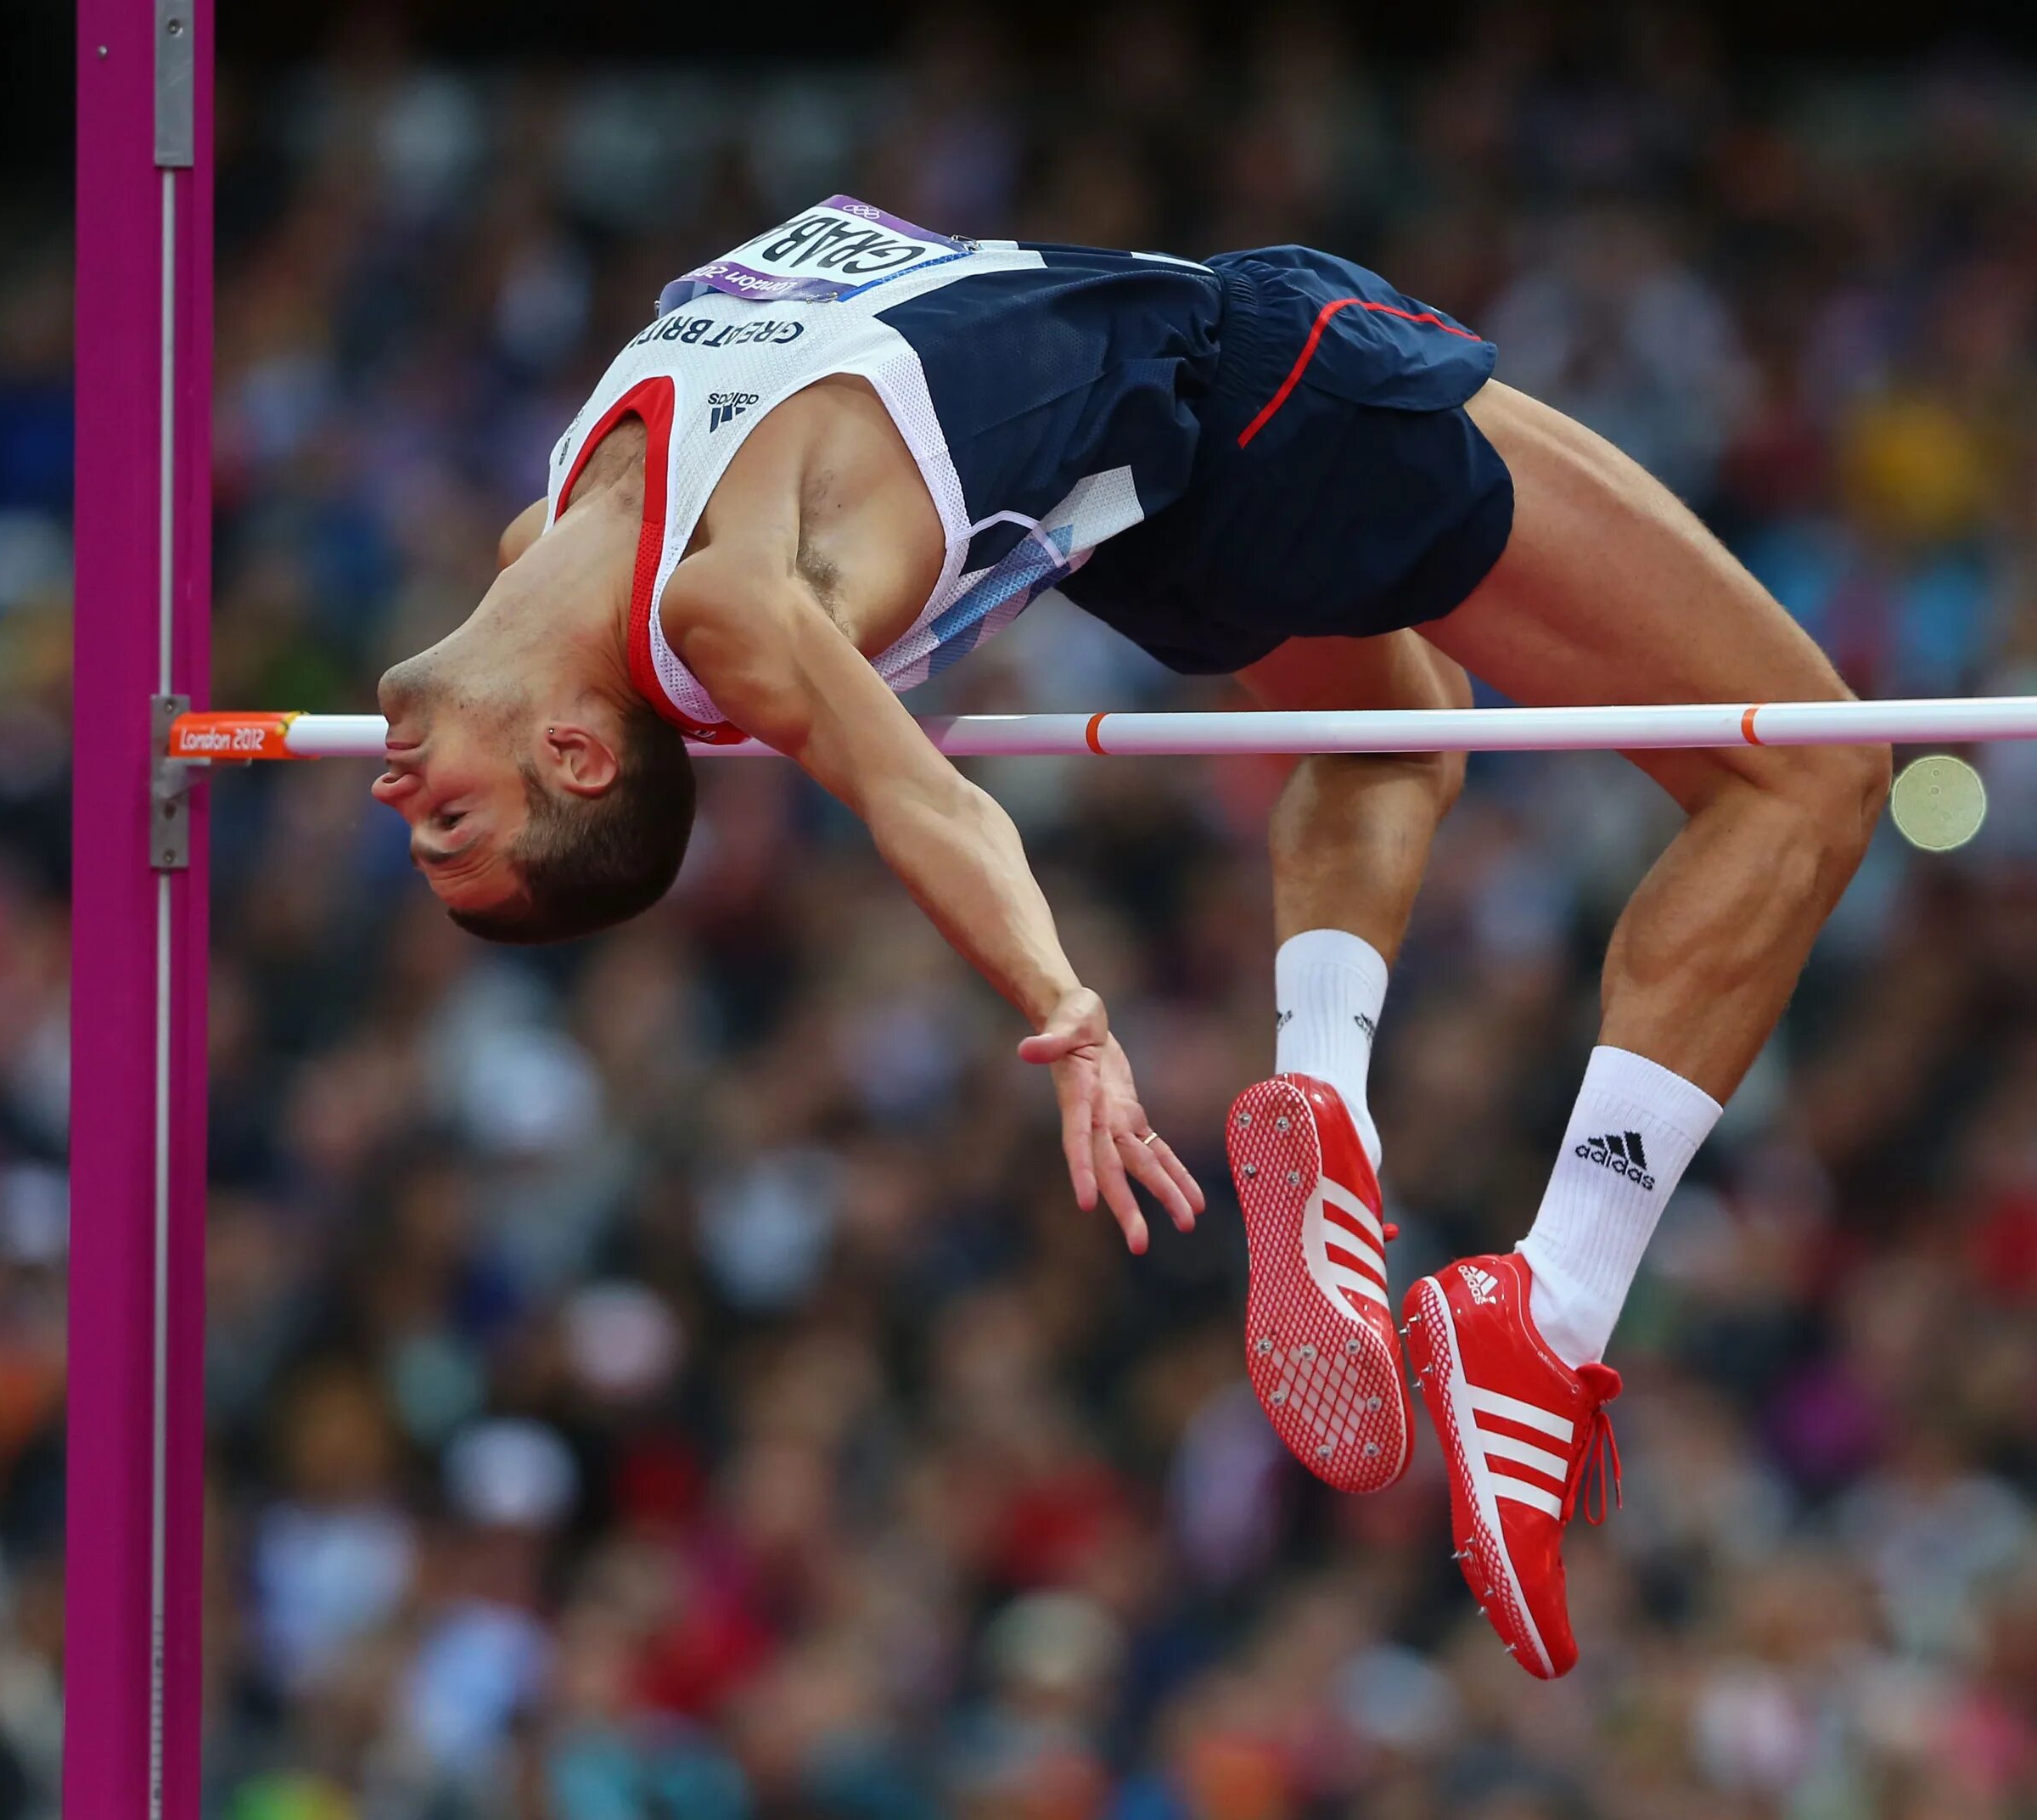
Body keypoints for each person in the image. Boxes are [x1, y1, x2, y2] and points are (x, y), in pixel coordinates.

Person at [372, 196, 1887, 1677]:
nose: (391, 793)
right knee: (1815, 771)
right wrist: (1070, 1014)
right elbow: (936, 810)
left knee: (1395, 739)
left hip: (1152, 516)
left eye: (430, 830)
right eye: (448, 827)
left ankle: (1332, 1113)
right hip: (1265, 396)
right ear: (574, 754)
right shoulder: (722, 608)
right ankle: (1547, 1317)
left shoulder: (550, 530)